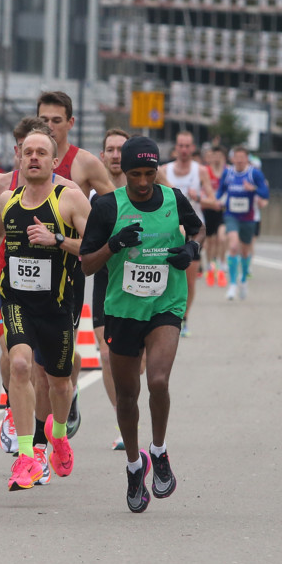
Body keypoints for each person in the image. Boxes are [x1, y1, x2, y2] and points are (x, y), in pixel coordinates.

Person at [79, 135, 202, 513]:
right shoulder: (105, 206)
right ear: (125, 171)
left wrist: (191, 250)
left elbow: (195, 229)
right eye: (136, 174)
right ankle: (135, 465)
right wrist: (114, 245)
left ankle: (159, 451)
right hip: (123, 308)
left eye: (150, 173)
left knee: (159, 380)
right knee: (128, 395)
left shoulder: (174, 199)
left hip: (166, 303)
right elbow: (85, 264)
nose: (144, 181)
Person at [0, 128, 91, 491]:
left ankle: (58, 435)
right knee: (21, 364)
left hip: (57, 305)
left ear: (55, 161)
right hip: (17, 300)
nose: (33, 158)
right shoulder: (8, 200)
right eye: (27, 152)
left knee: (60, 383)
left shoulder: (71, 199)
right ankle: (27, 456)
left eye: (41, 153)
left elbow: (96, 248)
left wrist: (56, 239)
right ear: (19, 157)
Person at [36, 90, 116, 436]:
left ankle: (69, 390)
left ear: (70, 122)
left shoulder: (85, 163)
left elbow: (115, 205)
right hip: (32, 266)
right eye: (44, 120)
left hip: (70, 267)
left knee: (61, 352)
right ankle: (36, 433)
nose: (50, 127)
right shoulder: (32, 156)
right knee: (30, 354)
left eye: (57, 120)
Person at [157, 130, 212, 337]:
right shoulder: (164, 170)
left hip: (193, 232)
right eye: (180, 145)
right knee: (167, 276)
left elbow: (213, 201)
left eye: (188, 146)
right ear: (175, 148)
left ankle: (184, 318)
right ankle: (164, 316)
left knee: (188, 281)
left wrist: (199, 198)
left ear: (193, 148)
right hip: (168, 231)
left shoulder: (200, 172)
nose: (184, 150)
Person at [97, 128, 129, 450]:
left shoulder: (145, 190)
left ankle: (129, 407)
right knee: (106, 355)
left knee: (134, 358)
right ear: (102, 155)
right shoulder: (92, 194)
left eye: (122, 148)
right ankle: (123, 419)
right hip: (104, 277)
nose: (116, 154)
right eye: (110, 149)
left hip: (137, 277)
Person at [218, 146, 269, 300]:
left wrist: (252, 188)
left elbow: (265, 193)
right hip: (231, 215)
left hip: (248, 217)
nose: (239, 160)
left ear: (247, 159)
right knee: (233, 246)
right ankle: (232, 284)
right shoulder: (228, 173)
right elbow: (221, 190)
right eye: (237, 157)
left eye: (242, 157)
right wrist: (217, 200)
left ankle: (243, 280)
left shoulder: (254, 173)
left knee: (245, 251)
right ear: (232, 159)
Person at [201, 143, 228, 286]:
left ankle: (222, 262)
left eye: (219, 156)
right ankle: (210, 265)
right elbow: (201, 190)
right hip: (209, 209)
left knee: (222, 237)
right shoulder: (206, 171)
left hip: (223, 210)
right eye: (214, 156)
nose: (216, 159)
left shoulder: (227, 171)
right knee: (210, 241)